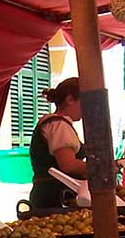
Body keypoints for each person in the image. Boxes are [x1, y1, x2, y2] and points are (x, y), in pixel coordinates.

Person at [28, 78, 87, 208]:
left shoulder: (56, 123)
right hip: (54, 197)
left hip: (49, 194)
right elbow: (69, 165)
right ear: (70, 99)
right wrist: (100, 169)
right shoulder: (59, 125)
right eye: (85, 101)